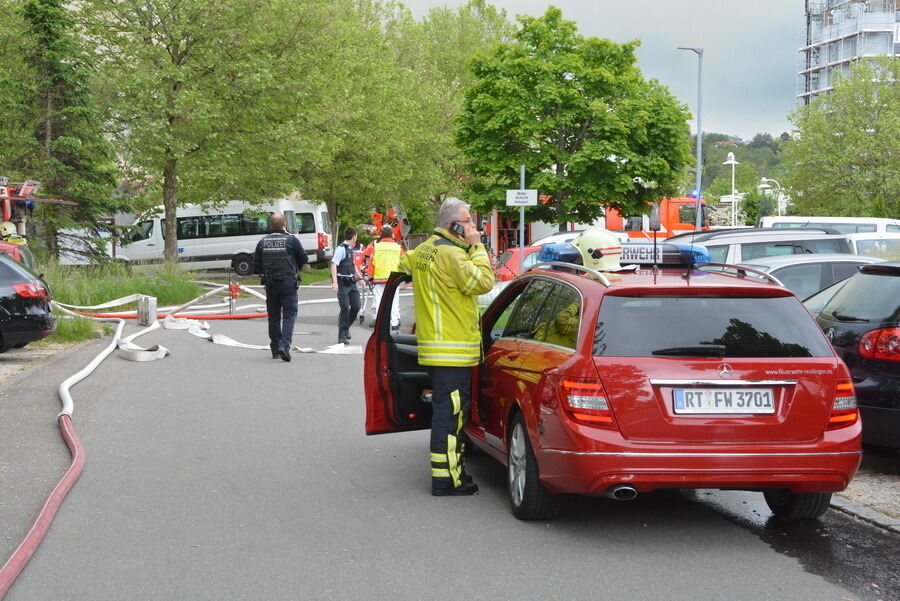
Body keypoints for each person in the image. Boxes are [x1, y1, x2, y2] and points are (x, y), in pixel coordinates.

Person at [398, 197, 494, 496]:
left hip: (435, 348)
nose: (473, 228)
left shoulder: (424, 251)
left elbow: (403, 265)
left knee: (446, 414)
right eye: (468, 222)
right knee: (450, 418)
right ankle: (447, 480)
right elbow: (485, 282)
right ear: (453, 224)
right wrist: (477, 246)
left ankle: (449, 473)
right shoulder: (454, 255)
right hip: (452, 351)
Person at [253, 212, 308, 362]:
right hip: (288, 283)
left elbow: (256, 265)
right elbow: (304, 259)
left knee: (274, 317)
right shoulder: (291, 240)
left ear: (270, 225)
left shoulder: (262, 242)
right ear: (284, 225)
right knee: (289, 315)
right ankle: (284, 345)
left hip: (270, 284)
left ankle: (275, 348)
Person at [330, 226, 363, 344]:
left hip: (352, 282)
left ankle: (346, 327)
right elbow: (334, 264)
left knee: (356, 306)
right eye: (356, 235)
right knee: (345, 308)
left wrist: (360, 279)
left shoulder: (350, 248)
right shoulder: (341, 248)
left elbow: (352, 265)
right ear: (354, 236)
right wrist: (335, 282)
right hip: (343, 282)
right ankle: (342, 335)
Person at [369, 225, 403, 331]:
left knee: (380, 301)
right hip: (394, 278)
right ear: (392, 235)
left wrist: (370, 277)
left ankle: (381, 324)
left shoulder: (376, 248)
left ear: (381, 235)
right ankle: (394, 323)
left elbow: (371, 264)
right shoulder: (398, 248)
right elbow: (403, 263)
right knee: (394, 300)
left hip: (379, 278)